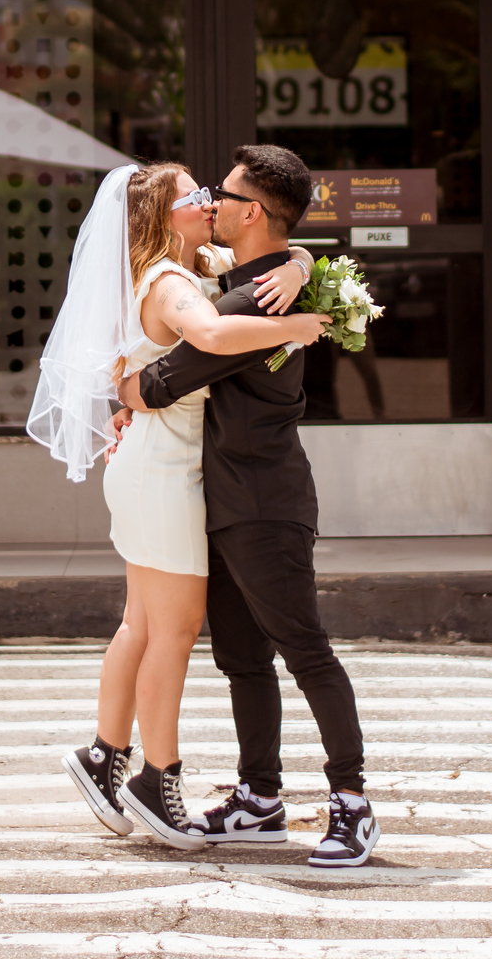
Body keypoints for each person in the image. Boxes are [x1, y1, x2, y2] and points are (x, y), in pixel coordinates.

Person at [27, 161, 327, 849]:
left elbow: (277, 250)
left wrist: (302, 264)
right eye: (194, 195)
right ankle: (156, 779)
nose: (209, 201)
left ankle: (104, 755)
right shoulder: (169, 283)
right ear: (167, 218)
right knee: (174, 631)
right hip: (162, 471)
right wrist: (298, 326)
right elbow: (217, 338)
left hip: (152, 464)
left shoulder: (193, 264)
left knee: (140, 622)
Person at [116, 144, 381, 869]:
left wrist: (128, 392)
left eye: (223, 196)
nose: (213, 205)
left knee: (304, 650)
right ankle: (260, 799)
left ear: (251, 212)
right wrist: (299, 258)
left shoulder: (250, 300)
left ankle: (352, 803)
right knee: (242, 659)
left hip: (263, 504)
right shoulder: (271, 279)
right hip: (227, 502)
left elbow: (168, 375)